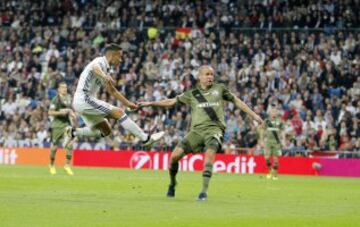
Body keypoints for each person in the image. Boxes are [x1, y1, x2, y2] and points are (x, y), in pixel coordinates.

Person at [140, 65, 264, 201]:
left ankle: (203, 192)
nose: (210, 76)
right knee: (174, 157)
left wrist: (255, 116)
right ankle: (173, 183)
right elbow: (171, 102)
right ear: (200, 77)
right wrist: (150, 103)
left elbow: (238, 102)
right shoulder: (192, 94)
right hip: (196, 132)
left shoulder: (220, 89)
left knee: (209, 155)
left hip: (214, 130)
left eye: (212, 74)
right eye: (207, 74)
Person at [64, 43, 164, 148]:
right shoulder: (100, 62)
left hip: (82, 101)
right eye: (119, 56)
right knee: (119, 113)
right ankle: (146, 139)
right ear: (113, 55)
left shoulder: (106, 69)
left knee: (106, 131)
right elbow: (94, 67)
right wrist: (104, 75)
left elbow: (113, 91)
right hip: (84, 99)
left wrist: (128, 104)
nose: (120, 60)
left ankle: (73, 132)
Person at [48, 82, 76, 175]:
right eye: (63, 88)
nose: (65, 89)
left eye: (66, 87)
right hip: (57, 125)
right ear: (59, 89)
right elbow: (50, 112)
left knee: (70, 144)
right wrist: (61, 113)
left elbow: (69, 109)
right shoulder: (56, 99)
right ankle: (51, 165)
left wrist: (71, 113)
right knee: (54, 148)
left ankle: (67, 166)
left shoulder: (68, 98)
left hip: (67, 125)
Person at [259, 103, 285, 180]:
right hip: (268, 142)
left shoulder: (280, 121)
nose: (274, 113)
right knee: (266, 158)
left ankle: (275, 174)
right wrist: (261, 140)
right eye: (272, 112)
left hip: (276, 142)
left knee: (275, 160)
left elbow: (283, 131)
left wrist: (283, 140)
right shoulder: (267, 121)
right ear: (270, 113)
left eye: (275, 112)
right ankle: (270, 170)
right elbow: (262, 130)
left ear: (277, 113)